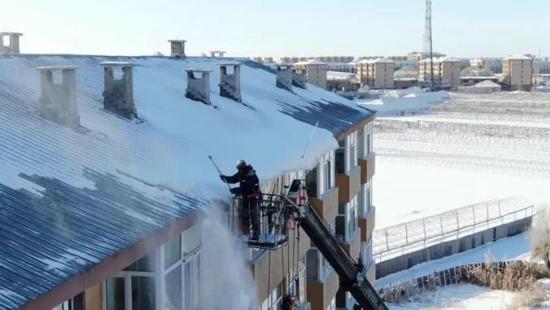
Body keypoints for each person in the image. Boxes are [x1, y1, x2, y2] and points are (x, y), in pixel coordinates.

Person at [220, 160, 261, 240]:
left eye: (240, 169)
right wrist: (225, 178)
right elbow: (234, 178)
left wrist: (236, 190)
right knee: (244, 216)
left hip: (253, 199)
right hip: (246, 198)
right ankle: (245, 233)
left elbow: (247, 188)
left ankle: (256, 235)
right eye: (239, 169)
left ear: (244, 167)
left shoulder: (252, 175)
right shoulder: (241, 173)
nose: (239, 171)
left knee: (254, 217)